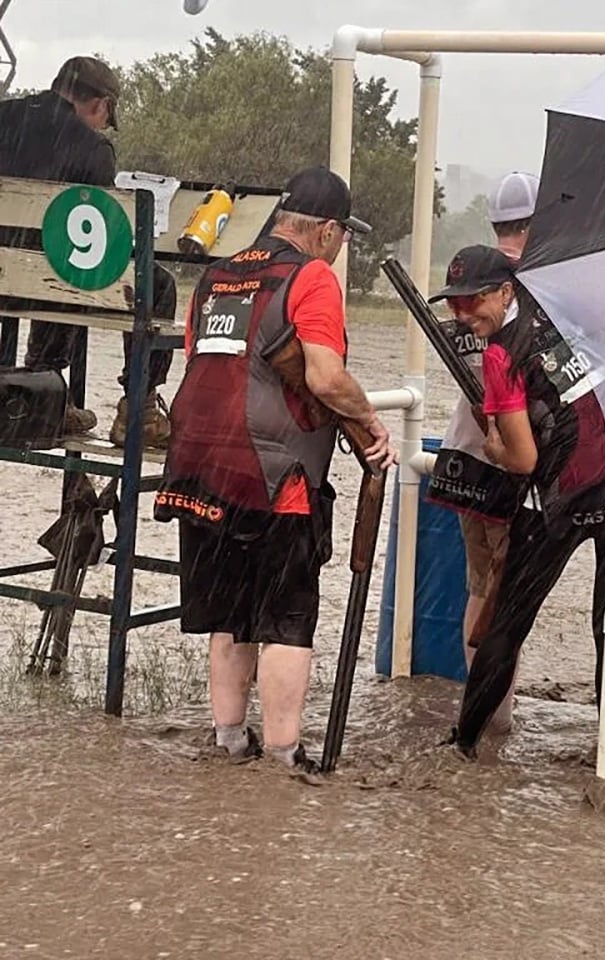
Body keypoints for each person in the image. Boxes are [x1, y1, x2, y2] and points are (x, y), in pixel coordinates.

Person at [154, 165, 395, 783]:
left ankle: (229, 740)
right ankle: (286, 759)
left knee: (230, 614)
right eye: (343, 237)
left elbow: (199, 360)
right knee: (287, 618)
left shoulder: (218, 275)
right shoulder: (311, 278)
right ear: (328, 231)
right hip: (275, 475)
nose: (341, 248)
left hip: (197, 467)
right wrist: (369, 420)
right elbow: (323, 376)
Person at [432, 245, 605, 758]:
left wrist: (492, 443)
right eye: (455, 304)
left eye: (475, 301)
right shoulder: (570, 313)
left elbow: (523, 459)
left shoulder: (500, 355)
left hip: (565, 491)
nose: (465, 314)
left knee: (509, 619)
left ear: (507, 291)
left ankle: (462, 747)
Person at [0, 56, 174, 444]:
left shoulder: (6, 117)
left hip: (5, 275)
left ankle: (46, 392)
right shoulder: (92, 148)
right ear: (101, 105)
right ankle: (138, 409)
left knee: (53, 266)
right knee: (152, 283)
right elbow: (100, 238)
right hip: (47, 279)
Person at [427, 171, 540, 733]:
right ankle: (499, 716)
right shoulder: (532, 286)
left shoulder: (467, 277)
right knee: (508, 595)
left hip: (463, 459)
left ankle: (486, 710)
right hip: (516, 464)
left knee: (480, 588)